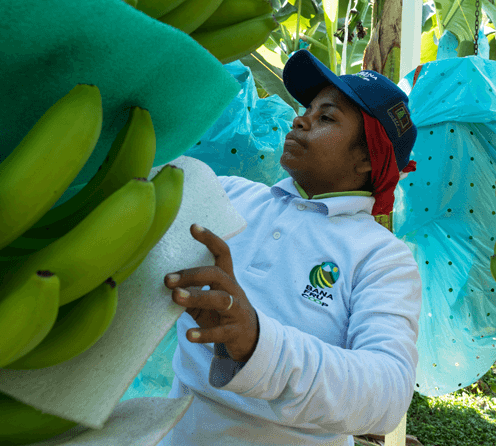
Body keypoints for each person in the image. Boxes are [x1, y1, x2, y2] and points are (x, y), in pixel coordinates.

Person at [158, 49, 421, 446]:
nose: (300, 119)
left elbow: (388, 394)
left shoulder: (382, 258)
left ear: (368, 157)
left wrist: (258, 343)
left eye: (326, 117)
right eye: (308, 109)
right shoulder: (229, 195)